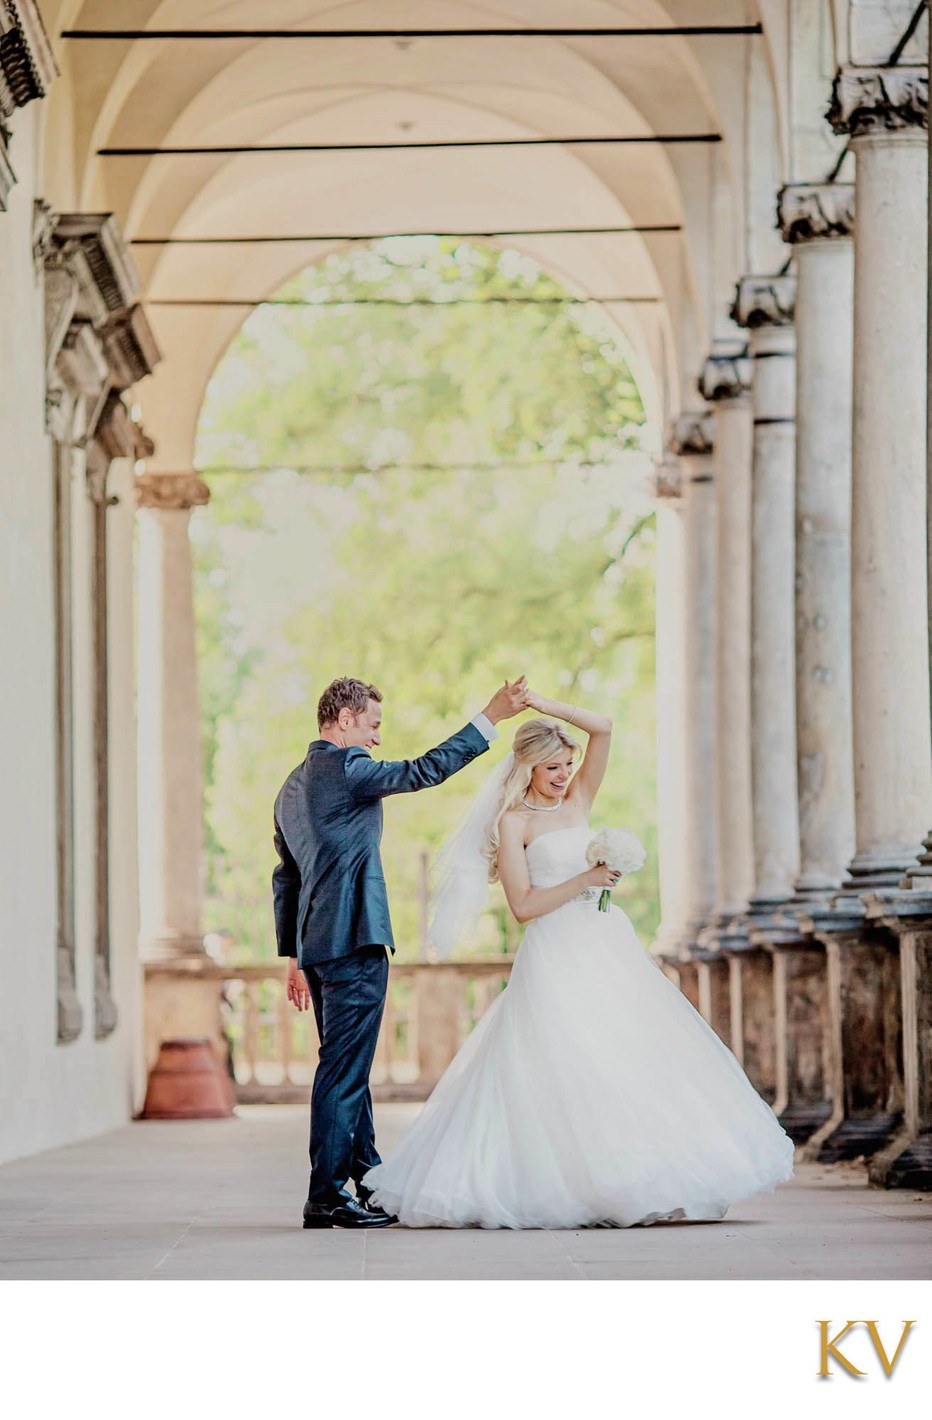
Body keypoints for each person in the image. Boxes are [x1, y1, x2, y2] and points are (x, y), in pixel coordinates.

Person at [362, 691, 796, 1228]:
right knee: (564, 1059)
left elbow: (606, 727)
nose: (564, 775)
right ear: (527, 767)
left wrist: (543, 705)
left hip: (605, 942)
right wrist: (585, 879)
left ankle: (646, 1174)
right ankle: (570, 1183)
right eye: (552, 767)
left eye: (567, 765)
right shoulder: (514, 824)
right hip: (554, 951)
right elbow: (523, 907)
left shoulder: (578, 801)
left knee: (628, 1052)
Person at [273, 673, 531, 1229]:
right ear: (344, 720)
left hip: (319, 949)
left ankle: (369, 1180)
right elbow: (421, 772)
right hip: (355, 939)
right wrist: (489, 716)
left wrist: (293, 958)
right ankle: (325, 1195)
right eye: (372, 725)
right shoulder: (344, 768)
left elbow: (287, 879)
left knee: (349, 1067)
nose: (377, 738)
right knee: (342, 1072)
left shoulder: (290, 788)